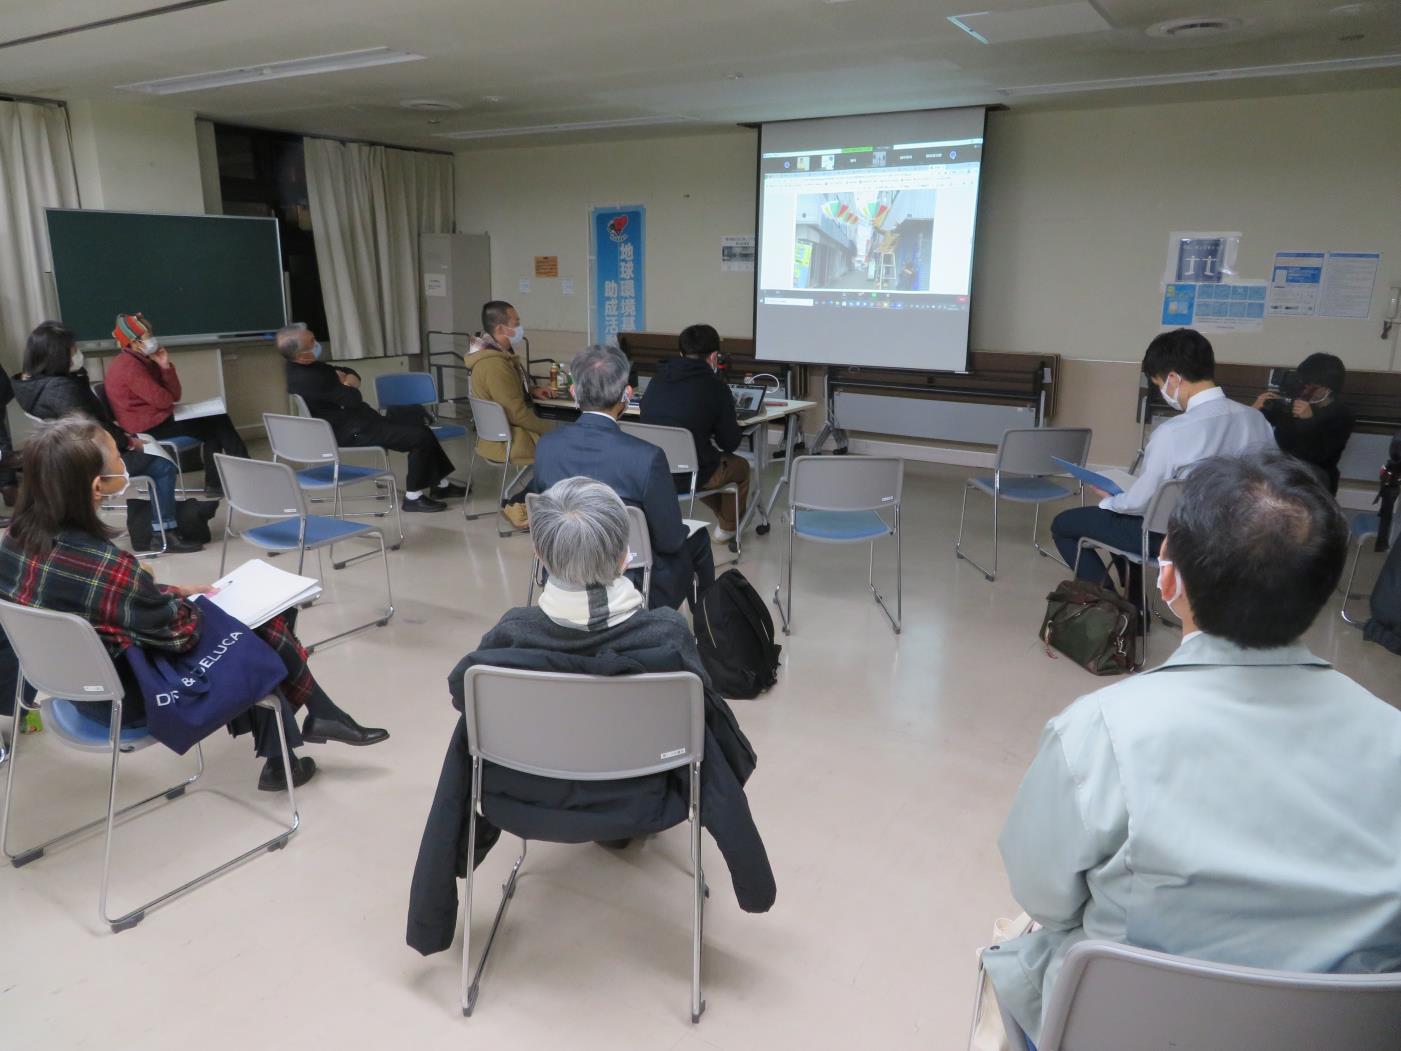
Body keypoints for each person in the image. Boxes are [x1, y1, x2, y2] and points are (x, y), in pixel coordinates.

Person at [986, 451, 1401, 1046]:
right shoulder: (1391, 737)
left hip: (1128, 1030)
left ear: (1168, 578)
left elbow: (1044, 896)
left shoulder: (1100, 732)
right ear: (1321, 587)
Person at [407, 476, 774, 955]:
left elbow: (462, 694)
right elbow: (706, 720)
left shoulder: (511, 635)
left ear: (540, 557)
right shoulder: (666, 634)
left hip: (525, 801)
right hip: (644, 799)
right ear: (625, 557)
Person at [0, 416, 389, 791]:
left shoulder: (14, 541)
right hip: (132, 701)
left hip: (77, 691)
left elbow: (98, 606)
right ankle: (306, 730)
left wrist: (166, 591)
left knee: (253, 625)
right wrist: (181, 600)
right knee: (264, 622)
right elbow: (181, 634)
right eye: (120, 455)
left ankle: (304, 733)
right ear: (97, 485)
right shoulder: (107, 566)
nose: (126, 460)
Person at [1051, 327, 1274, 593]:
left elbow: (1140, 503)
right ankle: (1132, 599)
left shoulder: (1174, 432)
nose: (1162, 392)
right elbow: (1269, 479)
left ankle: (1106, 602)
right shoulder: (1255, 419)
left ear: (1173, 378)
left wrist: (1111, 501)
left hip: (1180, 538)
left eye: (1159, 385)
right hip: (1237, 536)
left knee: (1065, 524)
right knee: (1119, 519)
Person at [532, 345, 715, 611]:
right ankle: (708, 627)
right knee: (697, 539)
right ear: (627, 394)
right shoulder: (646, 457)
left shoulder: (546, 446)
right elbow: (670, 540)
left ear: (573, 392)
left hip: (564, 572)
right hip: (632, 580)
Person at [14, 321, 210, 554]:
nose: (77, 354)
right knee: (163, 465)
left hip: (70, 455)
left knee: (163, 446)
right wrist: (128, 442)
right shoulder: (62, 389)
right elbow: (93, 428)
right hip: (89, 458)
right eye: (72, 350)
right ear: (57, 355)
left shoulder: (32, 384)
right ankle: (164, 532)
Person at [279, 324, 463, 512]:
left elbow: (348, 371)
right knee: (420, 436)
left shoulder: (302, 366)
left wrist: (345, 380)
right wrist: (346, 383)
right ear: (301, 355)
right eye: (312, 342)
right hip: (351, 431)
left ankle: (441, 485)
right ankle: (413, 497)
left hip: (360, 422)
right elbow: (353, 397)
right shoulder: (308, 378)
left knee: (419, 426)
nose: (316, 343)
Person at [105, 313, 249, 492]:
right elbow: (164, 401)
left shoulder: (141, 360)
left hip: (158, 418)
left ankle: (218, 483)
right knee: (218, 424)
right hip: (147, 427)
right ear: (135, 342)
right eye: (148, 335)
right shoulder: (130, 367)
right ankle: (244, 473)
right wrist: (165, 384)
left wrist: (165, 366)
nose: (153, 339)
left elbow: (174, 395)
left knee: (217, 422)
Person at [640, 323, 751, 543]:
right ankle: (728, 528)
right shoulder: (716, 387)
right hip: (690, 474)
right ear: (714, 357)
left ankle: (724, 520)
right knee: (740, 468)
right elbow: (729, 443)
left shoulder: (656, 380)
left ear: (681, 353)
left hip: (652, 470)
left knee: (696, 460)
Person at [464, 300, 554, 532]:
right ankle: (517, 503)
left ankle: (529, 501)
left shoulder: (495, 355)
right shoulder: (494, 364)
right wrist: (552, 430)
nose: (520, 327)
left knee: (558, 444)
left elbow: (506, 393)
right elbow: (517, 413)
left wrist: (531, 390)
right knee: (561, 448)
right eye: (516, 323)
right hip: (509, 438)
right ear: (501, 328)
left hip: (499, 434)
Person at [1252, 352, 1355, 494]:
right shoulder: (1296, 401)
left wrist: (1308, 421)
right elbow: (1261, 426)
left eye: (1311, 385)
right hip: (1282, 469)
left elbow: (1320, 455)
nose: (1305, 389)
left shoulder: (1341, 414)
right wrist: (1256, 409)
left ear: (1327, 388)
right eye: (1304, 383)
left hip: (1315, 476)